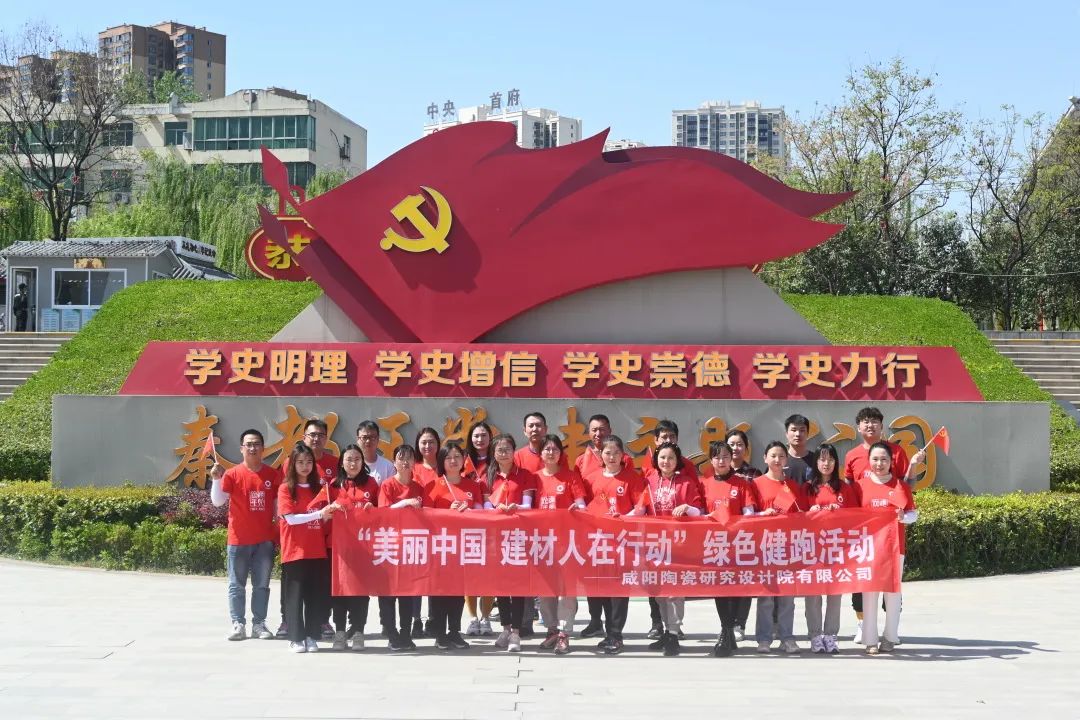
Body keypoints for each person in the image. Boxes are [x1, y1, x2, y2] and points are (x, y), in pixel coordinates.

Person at [842, 407, 924, 636]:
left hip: (890, 535)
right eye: (865, 422)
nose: (870, 426)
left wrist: (914, 466)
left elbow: (906, 485)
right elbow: (849, 491)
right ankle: (863, 626)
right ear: (858, 427)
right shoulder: (852, 456)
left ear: (881, 425)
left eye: (874, 421)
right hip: (864, 534)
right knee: (862, 581)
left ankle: (891, 630)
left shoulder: (896, 452)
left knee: (892, 585)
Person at [209, 429, 281, 642]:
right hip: (238, 540)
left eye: (256, 444)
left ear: (263, 448)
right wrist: (216, 479)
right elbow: (218, 501)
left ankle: (259, 624)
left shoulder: (272, 475)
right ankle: (238, 624)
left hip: (264, 541)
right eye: (248, 444)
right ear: (241, 448)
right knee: (236, 585)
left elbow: (277, 508)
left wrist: (279, 533)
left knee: (262, 585)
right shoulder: (232, 474)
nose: (252, 448)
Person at [583, 435, 649, 655]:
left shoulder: (632, 478)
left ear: (623, 455)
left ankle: (616, 634)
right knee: (599, 588)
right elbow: (584, 506)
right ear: (601, 455)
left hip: (622, 543)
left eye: (616, 453)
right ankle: (605, 628)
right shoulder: (591, 478)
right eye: (607, 453)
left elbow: (640, 508)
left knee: (619, 590)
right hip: (597, 542)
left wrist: (623, 517)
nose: (612, 457)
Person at [277, 418, 339, 639]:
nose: (305, 466)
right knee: (294, 592)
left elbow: (332, 502)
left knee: (316, 592)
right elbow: (290, 518)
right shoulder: (286, 487)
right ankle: (292, 630)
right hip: (294, 547)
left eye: (320, 435)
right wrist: (319, 515)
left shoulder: (323, 479)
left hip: (319, 544)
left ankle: (316, 630)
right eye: (312, 434)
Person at [643, 442, 704, 657]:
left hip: (679, 544)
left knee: (674, 591)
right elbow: (640, 508)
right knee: (659, 591)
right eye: (662, 457)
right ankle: (665, 631)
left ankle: (674, 633)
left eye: (670, 458)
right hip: (655, 544)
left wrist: (687, 507)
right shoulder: (649, 482)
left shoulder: (686, 483)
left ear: (677, 461)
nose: (666, 462)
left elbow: (699, 512)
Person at [857, 441, 918, 655]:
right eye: (875, 459)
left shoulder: (900, 486)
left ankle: (890, 637)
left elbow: (913, 514)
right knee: (869, 592)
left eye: (884, 459)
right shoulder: (860, 486)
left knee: (892, 593)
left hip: (894, 548)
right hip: (868, 548)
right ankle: (870, 640)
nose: (879, 463)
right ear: (869, 461)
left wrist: (903, 517)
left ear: (891, 462)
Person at [424, 441, 485, 650]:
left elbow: (482, 514)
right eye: (448, 457)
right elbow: (425, 516)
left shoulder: (472, 486)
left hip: (464, 546)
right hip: (440, 546)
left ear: (463, 460)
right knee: (440, 591)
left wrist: (468, 512)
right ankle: (440, 633)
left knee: (459, 591)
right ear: (442, 461)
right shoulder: (433, 486)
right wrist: (447, 512)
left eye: (457, 456)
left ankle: (454, 632)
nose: (453, 461)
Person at [574, 413, 631, 639]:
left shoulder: (626, 461)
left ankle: (614, 630)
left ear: (610, 430)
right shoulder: (581, 461)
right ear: (589, 433)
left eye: (602, 429)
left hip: (619, 535)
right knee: (594, 579)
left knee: (616, 583)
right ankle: (595, 620)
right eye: (594, 429)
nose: (598, 433)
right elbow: (580, 495)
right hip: (592, 533)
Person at [701, 441, 759, 657]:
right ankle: (726, 631)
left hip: (737, 543)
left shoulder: (741, 483)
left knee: (735, 590)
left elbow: (749, 512)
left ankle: (729, 632)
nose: (721, 461)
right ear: (711, 460)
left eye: (725, 456)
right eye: (717, 457)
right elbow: (700, 512)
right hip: (715, 545)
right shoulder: (705, 483)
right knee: (720, 590)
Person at [752, 441, 808, 654]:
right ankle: (764, 639)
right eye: (773, 456)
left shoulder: (792, 486)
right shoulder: (756, 484)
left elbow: (802, 515)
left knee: (787, 597)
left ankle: (787, 637)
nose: (777, 460)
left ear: (786, 459)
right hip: (764, 547)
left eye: (781, 456)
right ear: (765, 458)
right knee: (765, 597)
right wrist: (762, 515)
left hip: (788, 547)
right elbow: (748, 515)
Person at [485, 433, 537, 652]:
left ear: (514, 451)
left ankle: (516, 632)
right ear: (494, 453)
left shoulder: (524, 475)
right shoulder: (488, 477)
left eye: (507, 449)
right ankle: (505, 628)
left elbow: (528, 505)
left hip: (518, 537)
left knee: (517, 586)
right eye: (499, 449)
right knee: (500, 586)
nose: (503, 453)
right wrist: (496, 509)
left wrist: (515, 508)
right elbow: (485, 507)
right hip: (496, 538)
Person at [533, 434, 585, 655]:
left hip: (567, 542)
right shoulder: (534, 478)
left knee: (566, 590)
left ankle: (564, 632)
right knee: (546, 590)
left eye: (555, 449)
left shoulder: (571, 477)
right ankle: (551, 629)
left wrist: (577, 508)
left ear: (561, 453)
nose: (551, 452)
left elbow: (582, 504)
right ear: (541, 453)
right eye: (547, 449)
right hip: (542, 542)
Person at [803, 443, 855, 654]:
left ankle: (831, 635)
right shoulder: (807, 488)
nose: (826, 463)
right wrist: (810, 512)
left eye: (831, 459)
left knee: (835, 593)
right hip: (812, 548)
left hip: (836, 548)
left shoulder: (844, 488)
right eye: (822, 459)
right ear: (816, 462)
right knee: (813, 594)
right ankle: (815, 635)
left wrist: (839, 512)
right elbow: (796, 518)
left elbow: (855, 518)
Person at [327, 444, 379, 651]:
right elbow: (322, 513)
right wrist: (330, 509)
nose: (353, 463)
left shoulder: (372, 484)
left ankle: (358, 630)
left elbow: (383, 513)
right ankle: (340, 631)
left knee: (360, 591)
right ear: (342, 462)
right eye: (349, 459)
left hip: (363, 547)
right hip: (338, 547)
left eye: (357, 459)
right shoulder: (333, 485)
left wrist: (373, 509)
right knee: (339, 590)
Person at [378, 445, 425, 651]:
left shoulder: (419, 487)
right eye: (400, 458)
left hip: (410, 546)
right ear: (394, 462)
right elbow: (384, 512)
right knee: (388, 594)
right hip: (389, 544)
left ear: (414, 462)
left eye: (409, 458)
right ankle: (391, 633)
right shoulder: (387, 485)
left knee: (407, 593)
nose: (405, 462)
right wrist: (405, 503)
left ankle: (406, 633)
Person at [726, 428, 760, 642]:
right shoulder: (718, 473)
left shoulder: (754, 474)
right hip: (722, 538)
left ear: (746, 448)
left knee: (745, 580)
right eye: (731, 444)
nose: (735, 448)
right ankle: (727, 624)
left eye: (739, 444)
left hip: (747, 535)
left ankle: (740, 623)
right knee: (727, 580)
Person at [463, 421, 496, 637]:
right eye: (476, 435)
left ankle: (486, 617)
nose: (480, 439)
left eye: (484, 435)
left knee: (489, 573)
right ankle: (473, 618)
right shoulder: (464, 461)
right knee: (470, 573)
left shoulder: (497, 461)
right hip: (469, 525)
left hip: (493, 525)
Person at [410, 426, 442, 638]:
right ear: (418, 445)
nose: (428, 446)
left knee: (436, 577)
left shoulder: (445, 466)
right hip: (416, 529)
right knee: (416, 577)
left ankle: (433, 619)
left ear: (438, 444)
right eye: (424, 442)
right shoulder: (413, 468)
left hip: (440, 531)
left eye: (431, 442)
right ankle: (415, 619)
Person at [783, 414, 814, 484]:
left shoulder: (816, 460)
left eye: (802, 430)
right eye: (793, 430)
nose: (798, 434)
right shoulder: (779, 461)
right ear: (786, 434)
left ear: (808, 434)